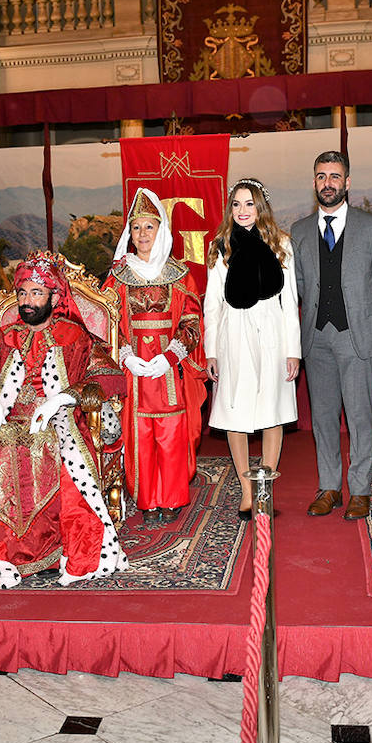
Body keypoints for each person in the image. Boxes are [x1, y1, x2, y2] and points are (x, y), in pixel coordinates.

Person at [0, 253, 126, 593]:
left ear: (54, 297)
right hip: (5, 417)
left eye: (36, 293)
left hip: (57, 420)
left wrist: (66, 397)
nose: (27, 301)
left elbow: (109, 374)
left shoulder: (74, 336)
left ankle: (52, 550)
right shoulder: (4, 336)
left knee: (53, 457)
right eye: (22, 293)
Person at [291, 152, 372, 521]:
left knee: (360, 417)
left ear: (347, 183)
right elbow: (300, 285)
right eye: (321, 176)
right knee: (322, 418)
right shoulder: (300, 230)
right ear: (314, 181)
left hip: (357, 337)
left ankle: (361, 490)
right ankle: (330, 487)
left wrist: (365, 315)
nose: (328, 183)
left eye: (335, 176)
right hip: (315, 338)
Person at [104, 188, 207, 527]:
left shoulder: (179, 273)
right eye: (137, 228)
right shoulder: (119, 276)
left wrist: (172, 355)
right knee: (141, 433)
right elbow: (108, 321)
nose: (143, 234)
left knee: (172, 432)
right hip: (135, 367)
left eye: (149, 227)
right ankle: (148, 501)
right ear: (129, 233)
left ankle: (173, 497)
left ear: (161, 230)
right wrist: (126, 354)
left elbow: (192, 320)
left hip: (168, 367)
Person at [204, 179, 301, 519]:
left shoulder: (282, 245)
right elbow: (212, 305)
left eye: (250, 204)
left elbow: (289, 303)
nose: (243, 211)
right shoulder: (221, 247)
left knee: (271, 410)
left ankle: (264, 490)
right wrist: (211, 351)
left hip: (273, 334)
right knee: (236, 412)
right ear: (230, 209)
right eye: (237, 204)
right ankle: (246, 492)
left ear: (261, 207)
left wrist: (294, 351)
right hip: (234, 335)